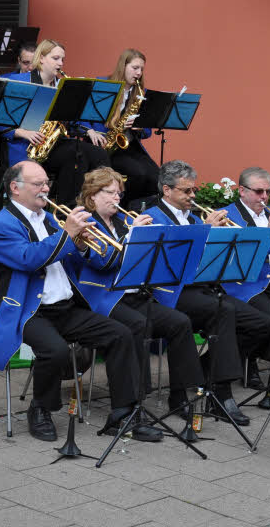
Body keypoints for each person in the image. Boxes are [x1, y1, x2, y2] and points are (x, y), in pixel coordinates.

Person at [0, 160, 161, 442]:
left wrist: (80, 244)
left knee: (121, 334)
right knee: (56, 350)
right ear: (15, 188)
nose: (46, 188)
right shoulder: (1, 224)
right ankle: (40, 409)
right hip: (27, 310)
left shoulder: (50, 218)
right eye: (38, 184)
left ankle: (122, 414)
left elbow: (77, 257)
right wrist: (67, 235)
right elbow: (28, 259)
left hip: (65, 307)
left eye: (47, 183)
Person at [141, 159, 270, 426]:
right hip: (170, 292)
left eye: (194, 190)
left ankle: (207, 373)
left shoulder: (192, 217)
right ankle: (219, 395)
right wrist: (208, 233)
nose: (193, 196)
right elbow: (168, 264)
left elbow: (211, 263)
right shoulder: (152, 218)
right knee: (224, 311)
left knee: (261, 323)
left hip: (201, 289)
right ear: (167, 190)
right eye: (186, 191)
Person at [77, 167, 205, 414]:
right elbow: (101, 262)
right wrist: (133, 235)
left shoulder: (122, 221)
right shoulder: (86, 223)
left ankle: (180, 396)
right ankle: (135, 401)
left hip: (133, 295)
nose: (117, 198)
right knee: (138, 324)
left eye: (119, 193)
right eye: (111, 193)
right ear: (93, 195)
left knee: (180, 322)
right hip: (102, 298)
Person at [0, 39, 110, 206]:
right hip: (26, 146)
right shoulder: (19, 80)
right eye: (56, 58)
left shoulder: (61, 85)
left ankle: (96, 206)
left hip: (53, 143)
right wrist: (26, 133)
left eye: (63, 59)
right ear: (41, 58)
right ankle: (68, 209)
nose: (61, 63)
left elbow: (71, 121)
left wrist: (88, 130)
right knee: (74, 155)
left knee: (97, 154)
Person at [220, 167, 270, 389]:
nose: (264, 197)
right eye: (259, 191)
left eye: (268, 192)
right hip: (246, 285)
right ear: (241, 190)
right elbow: (243, 259)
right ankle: (247, 362)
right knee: (269, 320)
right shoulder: (229, 216)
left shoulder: (269, 214)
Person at [96, 48, 160, 208]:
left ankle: (140, 211)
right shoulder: (104, 85)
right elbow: (93, 119)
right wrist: (117, 126)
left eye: (141, 69)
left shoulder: (140, 93)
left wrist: (140, 127)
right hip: (109, 146)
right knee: (138, 174)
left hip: (130, 146)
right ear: (123, 66)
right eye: (135, 68)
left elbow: (148, 132)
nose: (139, 73)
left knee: (157, 176)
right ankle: (123, 207)